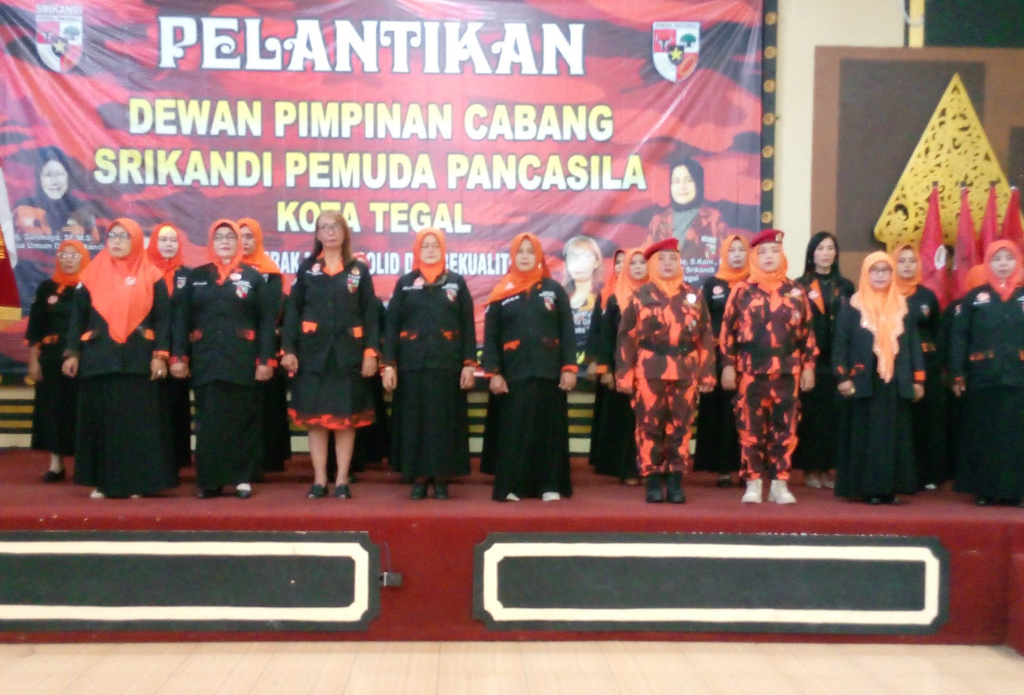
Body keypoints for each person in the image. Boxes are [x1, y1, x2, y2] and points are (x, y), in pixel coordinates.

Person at [61, 219, 177, 499]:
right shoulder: (91, 274)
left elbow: (163, 320)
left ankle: (138, 483)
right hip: (100, 359)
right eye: (112, 235)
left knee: (135, 425)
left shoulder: (153, 276)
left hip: (138, 361)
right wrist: (72, 352)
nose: (117, 241)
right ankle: (103, 482)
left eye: (124, 236)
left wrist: (160, 355)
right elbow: (78, 317)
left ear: (136, 241)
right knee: (102, 424)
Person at [170, 220, 276, 499]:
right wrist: (178, 357)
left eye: (231, 237)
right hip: (206, 359)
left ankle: (241, 478)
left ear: (239, 243)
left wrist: (265, 360)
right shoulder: (197, 276)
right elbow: (181, 320)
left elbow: (266, 322)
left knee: (242, 420)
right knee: (208, 421)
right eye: (219, 237)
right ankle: (209, 480)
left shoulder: (253, 277)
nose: (225, 241)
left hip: (242, 360)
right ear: (211, 243)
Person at [281, 211, 379, 499]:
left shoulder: (358, 270)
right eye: (324, 227)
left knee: (346, 419)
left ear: (345, 232)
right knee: (316, 421)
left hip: (349, 356)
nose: (330, 231)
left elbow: (371, 315)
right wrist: (288, 349)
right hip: (313, 356)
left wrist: (371, 352)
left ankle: (342, 480)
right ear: (318, 234)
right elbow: (292, 312)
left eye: (335, 226)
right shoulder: (307, 269)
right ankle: (320, 479)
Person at [720, 229, 817, 504]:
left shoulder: (796, 291)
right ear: (754, 257)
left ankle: (779, 483)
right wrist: (727, 366)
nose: (769, 257)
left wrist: (808, 366)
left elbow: (808, 334)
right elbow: (727, 332)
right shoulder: (742, 291)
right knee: (750, 427)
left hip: (787, 371)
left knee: (785, 429)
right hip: (750, 371)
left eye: (774, 251)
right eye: (762, 252)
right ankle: (753, 482)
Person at [616, 239, 716, 503]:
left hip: (685, 370)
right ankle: (652, 479)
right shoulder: (641, 296)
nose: (668, 264)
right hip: (650, 370)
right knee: (649, 426)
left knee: (680, 426)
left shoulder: (693, 296)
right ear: (652, 264)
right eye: (662, 259)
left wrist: (707, 373)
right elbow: (626, 337)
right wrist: (624, 375)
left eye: (673, 258)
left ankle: (674, 480)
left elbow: (705, 337)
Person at [481, 233, 576, 502]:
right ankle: (513, 486)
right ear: (513, 256)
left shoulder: (554, 290)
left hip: (550, 373)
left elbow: (567, 331)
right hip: (514, 375)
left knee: (549, 431)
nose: (525, 256)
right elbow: (491, 337)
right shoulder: (501, 293)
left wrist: (569, 368)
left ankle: (549, 485)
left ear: (539, 256)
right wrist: (494, 373)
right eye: (520, 252)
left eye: (530, 251)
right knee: (515, 432)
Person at [382, 228, 476, 499]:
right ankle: (419, 477)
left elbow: (468, 326)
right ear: (417, 250)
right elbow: (392, 327)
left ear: (443, 249)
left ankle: (441, 478)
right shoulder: (405, 283)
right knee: (415, 422)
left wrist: (469, 364)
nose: (431, 250)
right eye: (426, 245)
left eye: (436, 245)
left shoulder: (456, 282)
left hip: (447, 365)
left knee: (443, 422)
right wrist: (389, 364)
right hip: (411, 365)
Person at [833, 252, 925, 504]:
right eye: (875, 270)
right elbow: (841, 344)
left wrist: (918, 379)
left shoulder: (903, 306)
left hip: (894, 382)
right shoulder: (852, 306)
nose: (881, 275)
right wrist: (842, 377)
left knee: (893, 436)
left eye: (886, 270)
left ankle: (889, 489)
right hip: (863, 381)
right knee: (866, 436)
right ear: (866, 273)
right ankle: (868, 489)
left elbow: (913, 345)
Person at [949, 240, 1024, 506]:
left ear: (1018, 262)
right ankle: (985, 490)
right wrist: (957, 374)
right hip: (983, 378)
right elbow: (959, 338)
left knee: (1016, 436)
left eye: (1008, 258)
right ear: (988, 263)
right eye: (997, 259)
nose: (1003, 264)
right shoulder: (974, 298)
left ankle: (1015, 492)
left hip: (1018, 378)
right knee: (984, 435)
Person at [792, 232, 855, 489]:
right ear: (811, 253)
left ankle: (828, 467)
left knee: (834, 415)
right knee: (811, 416)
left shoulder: (846, 286)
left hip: (837, 359)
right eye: (820, 248)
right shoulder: (799, 286)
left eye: (830, 248)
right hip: (809, 359)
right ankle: (810, 468)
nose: (825, 253)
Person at [25, 240, 89, 482]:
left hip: (83, 358)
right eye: (64, 254)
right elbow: (36, 327)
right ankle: (56, 464)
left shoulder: (91, 286)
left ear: (84, 258)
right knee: (53, 409)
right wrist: (34, 360)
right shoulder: (46, 288)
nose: (69, 259)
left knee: (81, 410)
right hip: (51, 358)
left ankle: (84, 465)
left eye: (74, 255)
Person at [12, 146, 100, 312]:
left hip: (73, 296)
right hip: (29, 295)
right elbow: (7, 251)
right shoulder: (22, 209)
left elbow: (95, 251)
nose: (54, 181)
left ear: (68, 176)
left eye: (59, 174)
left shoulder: (84, 212)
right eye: (48, 175)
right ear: (39, 178)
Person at [238, 216, 292, 476]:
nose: (244, 242)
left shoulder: (269, 272)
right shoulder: (224, 271)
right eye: (240, 237)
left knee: (266, 405)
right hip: (236, 349)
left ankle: (267, 458)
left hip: (265, 348)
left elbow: (270, 315)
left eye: (249, 237)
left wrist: (266, 354)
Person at [694, 234, 748, 486]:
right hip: (717, 358)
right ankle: (722, 468)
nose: (737, 255)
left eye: (741, 250)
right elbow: (702, 322)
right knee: (720, 413)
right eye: (732, 250)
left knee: (745, 413)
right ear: (724, 253)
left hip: (747, 357)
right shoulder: (712, 283)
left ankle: (747, 467)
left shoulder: (755, 282)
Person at [893, 243, 948, 490]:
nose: (907, 266)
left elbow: (938, 332)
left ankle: (928, 474)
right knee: (901, 420)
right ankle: (902, 474)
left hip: (926, 366)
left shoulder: (927, 296)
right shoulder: (887, 294)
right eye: (901, 261)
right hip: (895, 366)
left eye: (911, 261)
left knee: (927, 421)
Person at [592, 248, 646, 483]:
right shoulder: (615, 298)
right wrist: (606, 369)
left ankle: (650, 469)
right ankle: (629, 470)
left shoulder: (657, 295)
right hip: (624, 369)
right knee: (626, 420)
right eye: (632, 263)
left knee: (649, 421)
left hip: (652, 369)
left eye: (642, 263)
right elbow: (606, 336)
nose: (637, 267)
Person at [147, 222, 192, 470]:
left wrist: (181, 354)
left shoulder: (189, 275)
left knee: (177, 404)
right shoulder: (142, 273)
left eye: (173, 240)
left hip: (181, 351)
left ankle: (178, 460)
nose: (168, 245)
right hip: (150, 351)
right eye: (163, 240)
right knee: (153, 406)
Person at [646, 157, 729, 282]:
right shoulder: (658, 222)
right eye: (676, 181)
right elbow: (646, 263)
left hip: (704, 289)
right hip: (665, 289)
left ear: (698, 183)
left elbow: (725, 261)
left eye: (688, 180)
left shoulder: (713, 219)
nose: (682, 187)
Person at [560, 235, 604, 366]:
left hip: (595, 365)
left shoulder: (605, 294)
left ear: (596, 262)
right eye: (573, 257)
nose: (578, 263)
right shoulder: (559, 295)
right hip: (565, 365)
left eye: (585, 257)